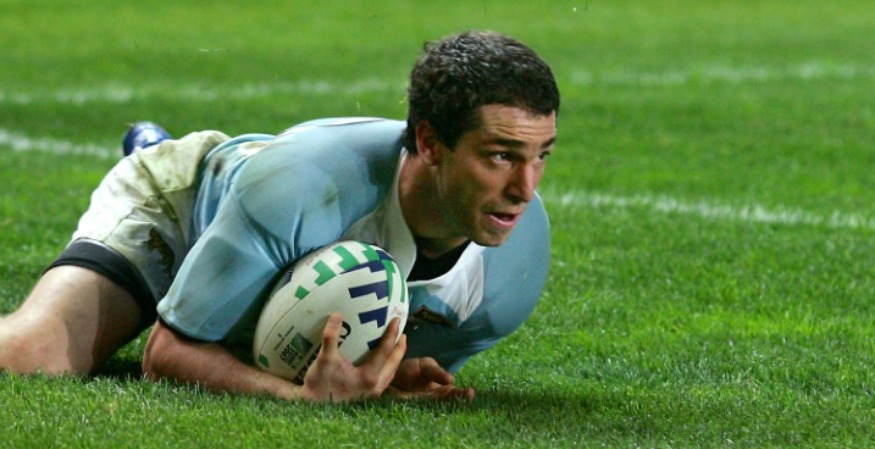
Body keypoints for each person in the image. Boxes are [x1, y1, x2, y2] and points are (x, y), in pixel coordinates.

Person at [0, 30, 560, 403]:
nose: (523, 188)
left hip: (267, 220)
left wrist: (387, 381)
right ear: (431, 143)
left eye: (541, 156)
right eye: (500, 156)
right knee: (33, 357)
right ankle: (154, 151)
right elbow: (166, 353)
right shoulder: (301, 187)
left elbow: (339, 358)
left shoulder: (516, 268)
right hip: (187, 209)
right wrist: (300, 398)